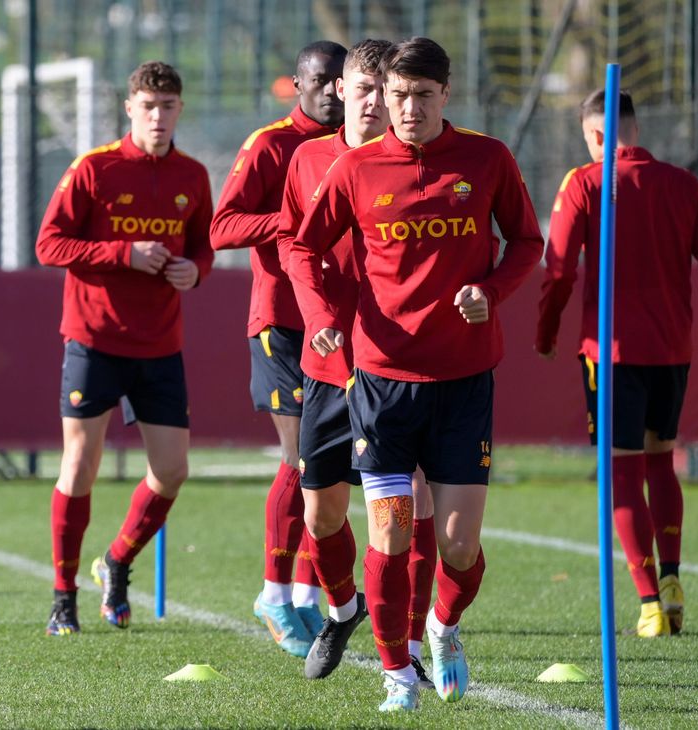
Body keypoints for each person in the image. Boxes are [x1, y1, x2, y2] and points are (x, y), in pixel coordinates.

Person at [290, 37, 544, 712]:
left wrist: (493, 290)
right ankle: (397, 675)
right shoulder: (355, 168)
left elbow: (526, 241)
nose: (405, 108)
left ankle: (446, 626)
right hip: (381, 384)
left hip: (464, 383)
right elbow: (302, 244)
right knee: (392, 533)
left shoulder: (486, 158)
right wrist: (319, 312)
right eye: (397, 95)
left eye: (420, 97)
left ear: (445, 96)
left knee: (459, 547)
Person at [535, 89, 698, 637]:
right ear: (634, 131)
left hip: (612, 355)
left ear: (595, 135)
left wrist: (546, 331)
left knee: (622, 474)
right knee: (662, 463)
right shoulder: (684, 186)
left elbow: (559, 270)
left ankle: (647, 605)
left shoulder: (585, 183)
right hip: (672, 353)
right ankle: (673, 579)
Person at [277, 38, 437, 688]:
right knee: (320, 516)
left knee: (407, 508)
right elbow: (295, 246)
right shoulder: (309, 160)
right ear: (341, 91)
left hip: (395, 373)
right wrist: (318, 319)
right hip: (326, 372)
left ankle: (410, 644)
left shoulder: (414, 164)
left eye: (386, 90)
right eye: (364, 89)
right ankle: (343, 609)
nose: (376, 102)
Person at [36, 61, 214, 636]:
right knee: (80, 466)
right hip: (94, 339)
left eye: (168, 106)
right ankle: (64, 597)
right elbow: (49, 244)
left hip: (160, 344)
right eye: (148, 105)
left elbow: (204, 248)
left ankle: (116, 562)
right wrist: (123, 253)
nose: (158, 116)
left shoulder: (192, 175)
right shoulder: (94, 168)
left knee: (171, 471)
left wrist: (195, 270)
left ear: (179, 110)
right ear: (129, 109)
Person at [210, 40, 347, 658]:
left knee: (334, 469)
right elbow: (222, 228)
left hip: (340, 326)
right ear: (297, 84)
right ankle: (273, 591)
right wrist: (288, 220)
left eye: (339, 82)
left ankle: (303, 592)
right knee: (299, 459)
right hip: (282, 323)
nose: (329, 92)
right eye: (318, 81)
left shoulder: (361, 147)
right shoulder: (270, 145)